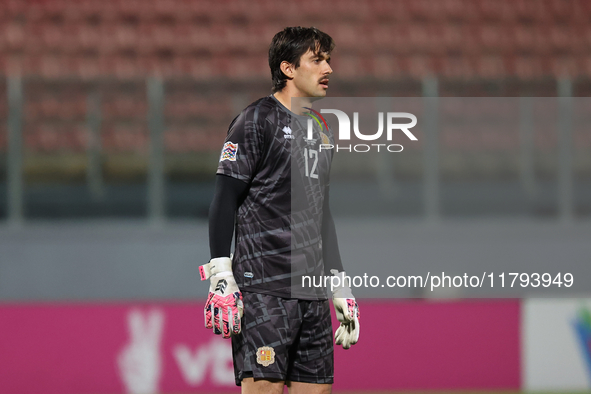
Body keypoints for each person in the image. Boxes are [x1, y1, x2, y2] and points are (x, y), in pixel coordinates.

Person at [199, 26, 360, 394]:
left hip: (313, 291)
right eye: (317, 60)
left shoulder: (322, 130)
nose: (329, 68)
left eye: (329, 60)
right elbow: (224, 198)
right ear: (288, 69)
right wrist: (221, 274)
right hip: (264, 291)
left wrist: (339, 285)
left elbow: (323, 215)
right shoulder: (256, 121)